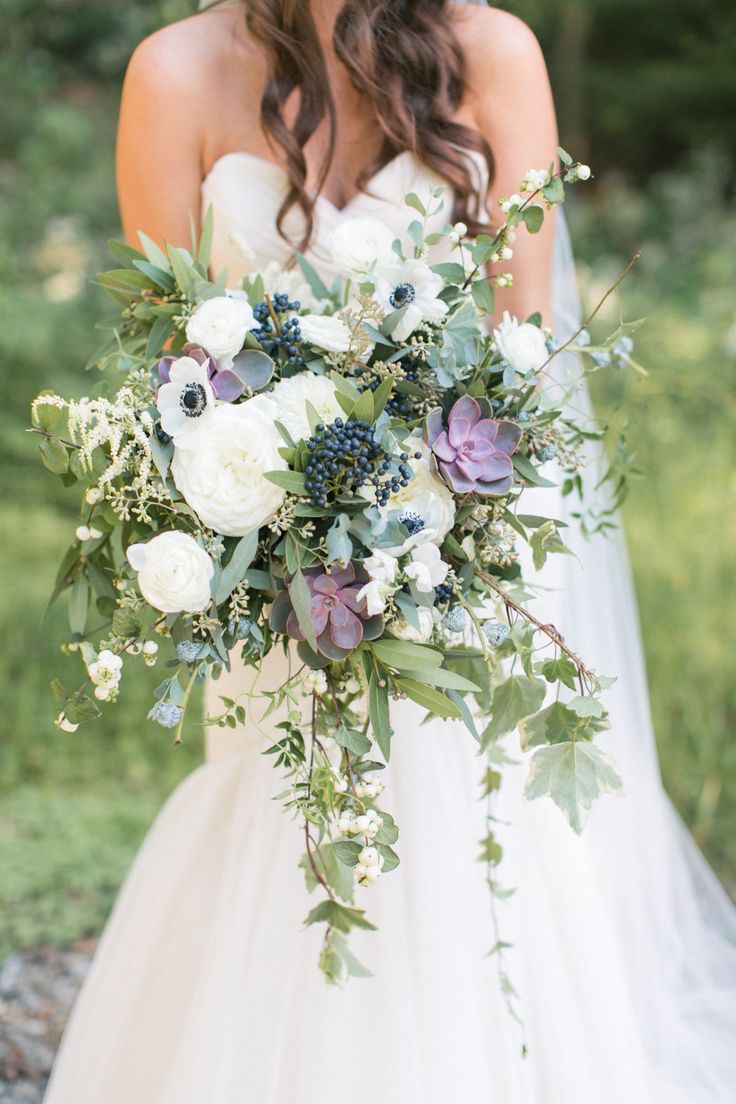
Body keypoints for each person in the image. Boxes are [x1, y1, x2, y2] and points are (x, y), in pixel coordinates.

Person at [44, 3, 736, 1101]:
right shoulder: (172, 73)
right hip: (273, 563)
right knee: (291, 810)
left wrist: (437, 530)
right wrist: (274, 526)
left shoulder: (493, 54)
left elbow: (527, 358)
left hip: (468, 539)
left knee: (463, 816)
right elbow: (175, 376)